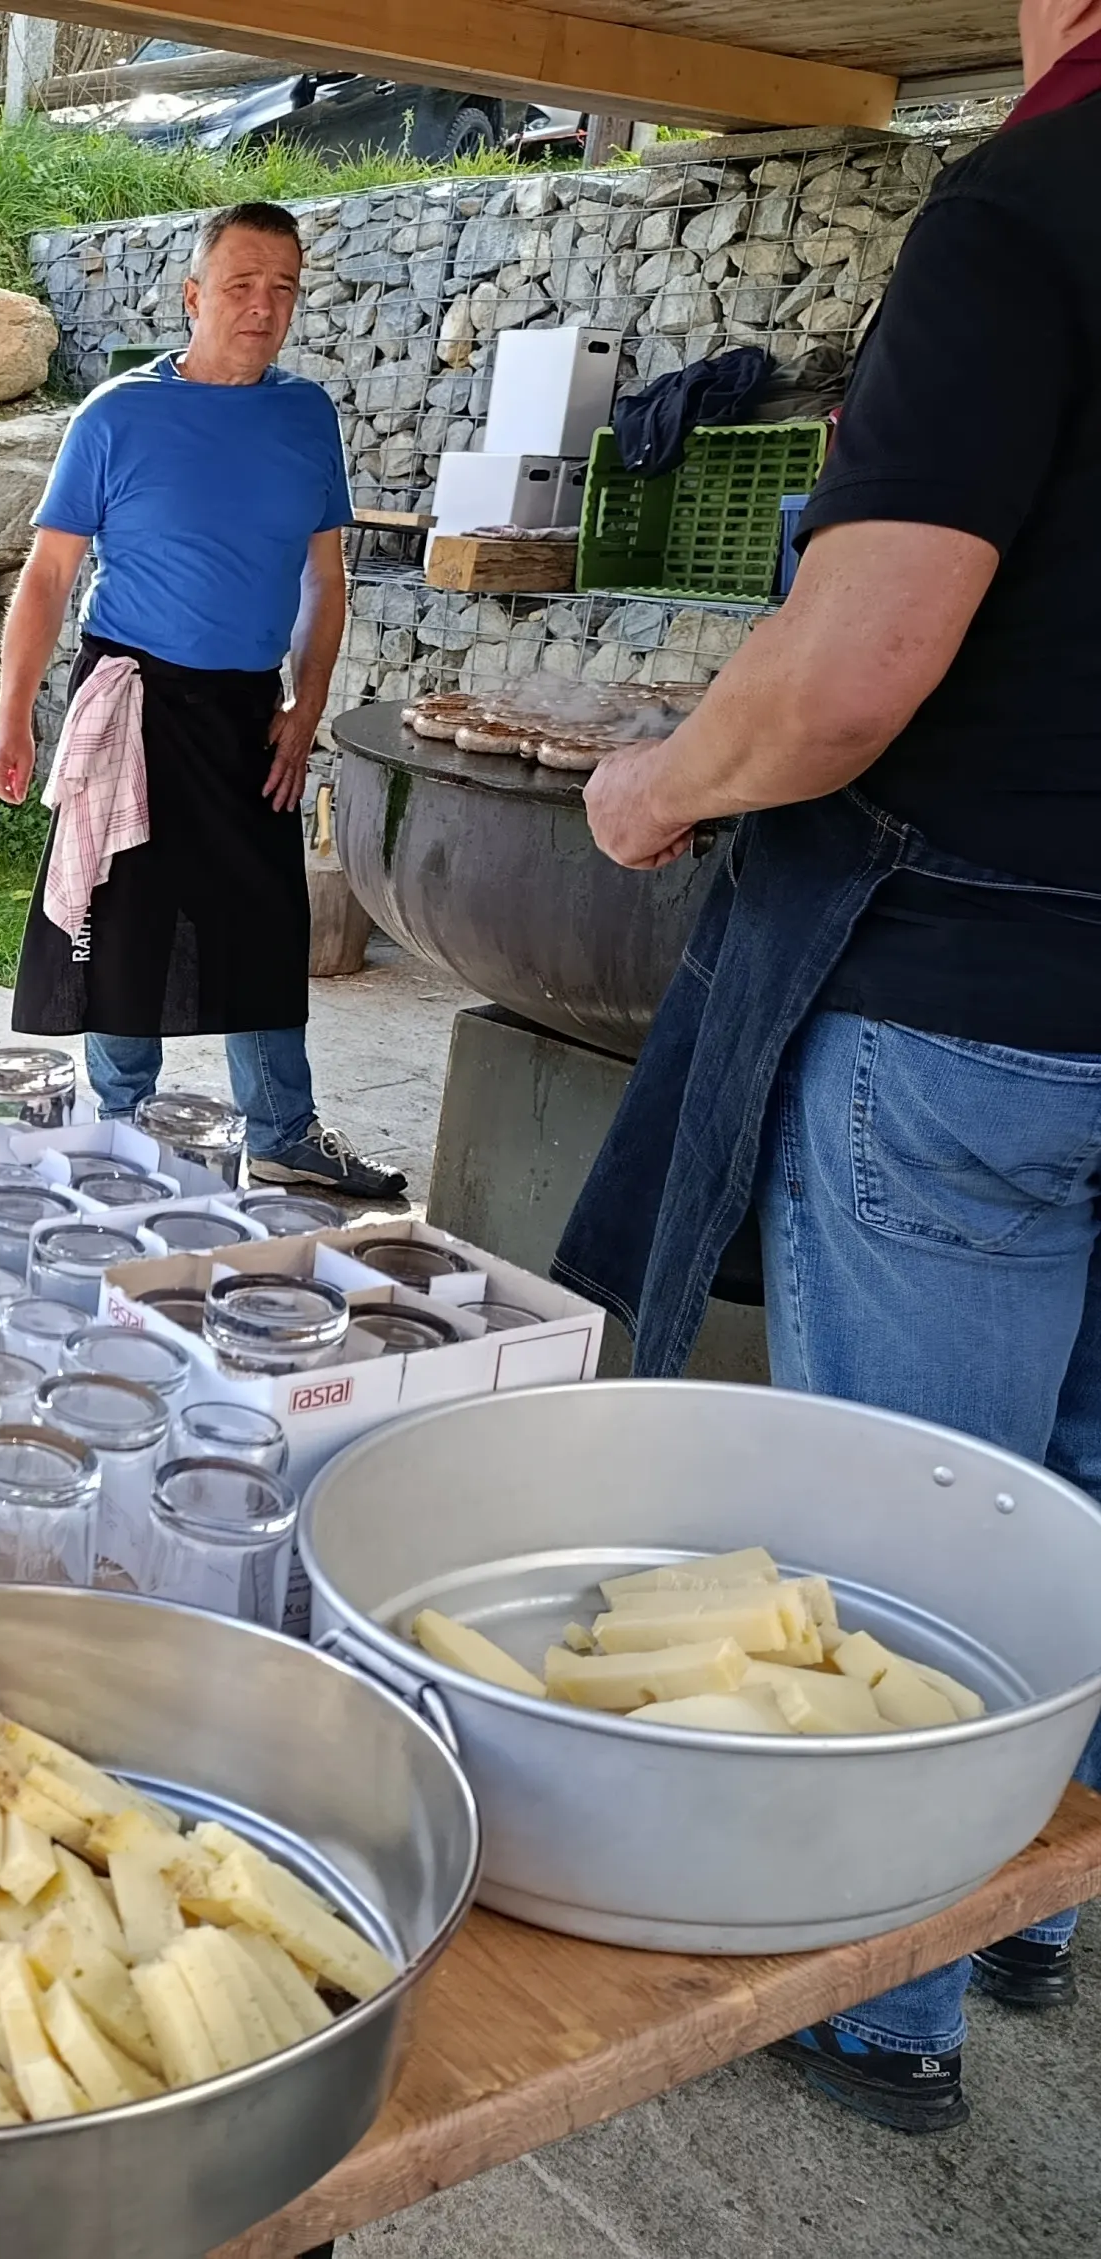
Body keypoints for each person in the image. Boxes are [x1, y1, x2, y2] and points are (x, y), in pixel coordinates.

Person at [559, 0, 1101, 2135]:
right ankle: (1037, 1900)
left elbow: (860, 662)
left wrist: (662, 777)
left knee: (917, 1528)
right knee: (1077, 1501)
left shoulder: (1029, 208)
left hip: (973, 993)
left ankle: (889, 1999)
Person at [0, 202, 403, 1199]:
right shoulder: (118, 415)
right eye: (242, 284)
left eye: (284, 288)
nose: (264, 307)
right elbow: (47, 577)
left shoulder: (307, 417)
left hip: (251, 708)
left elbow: (324, 581)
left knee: (264, 920)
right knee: (125, 924)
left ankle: (285, 1132)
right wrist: (10, 718)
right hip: (135, 697)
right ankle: (120, 1135)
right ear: (194, 297)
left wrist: (307, 707)